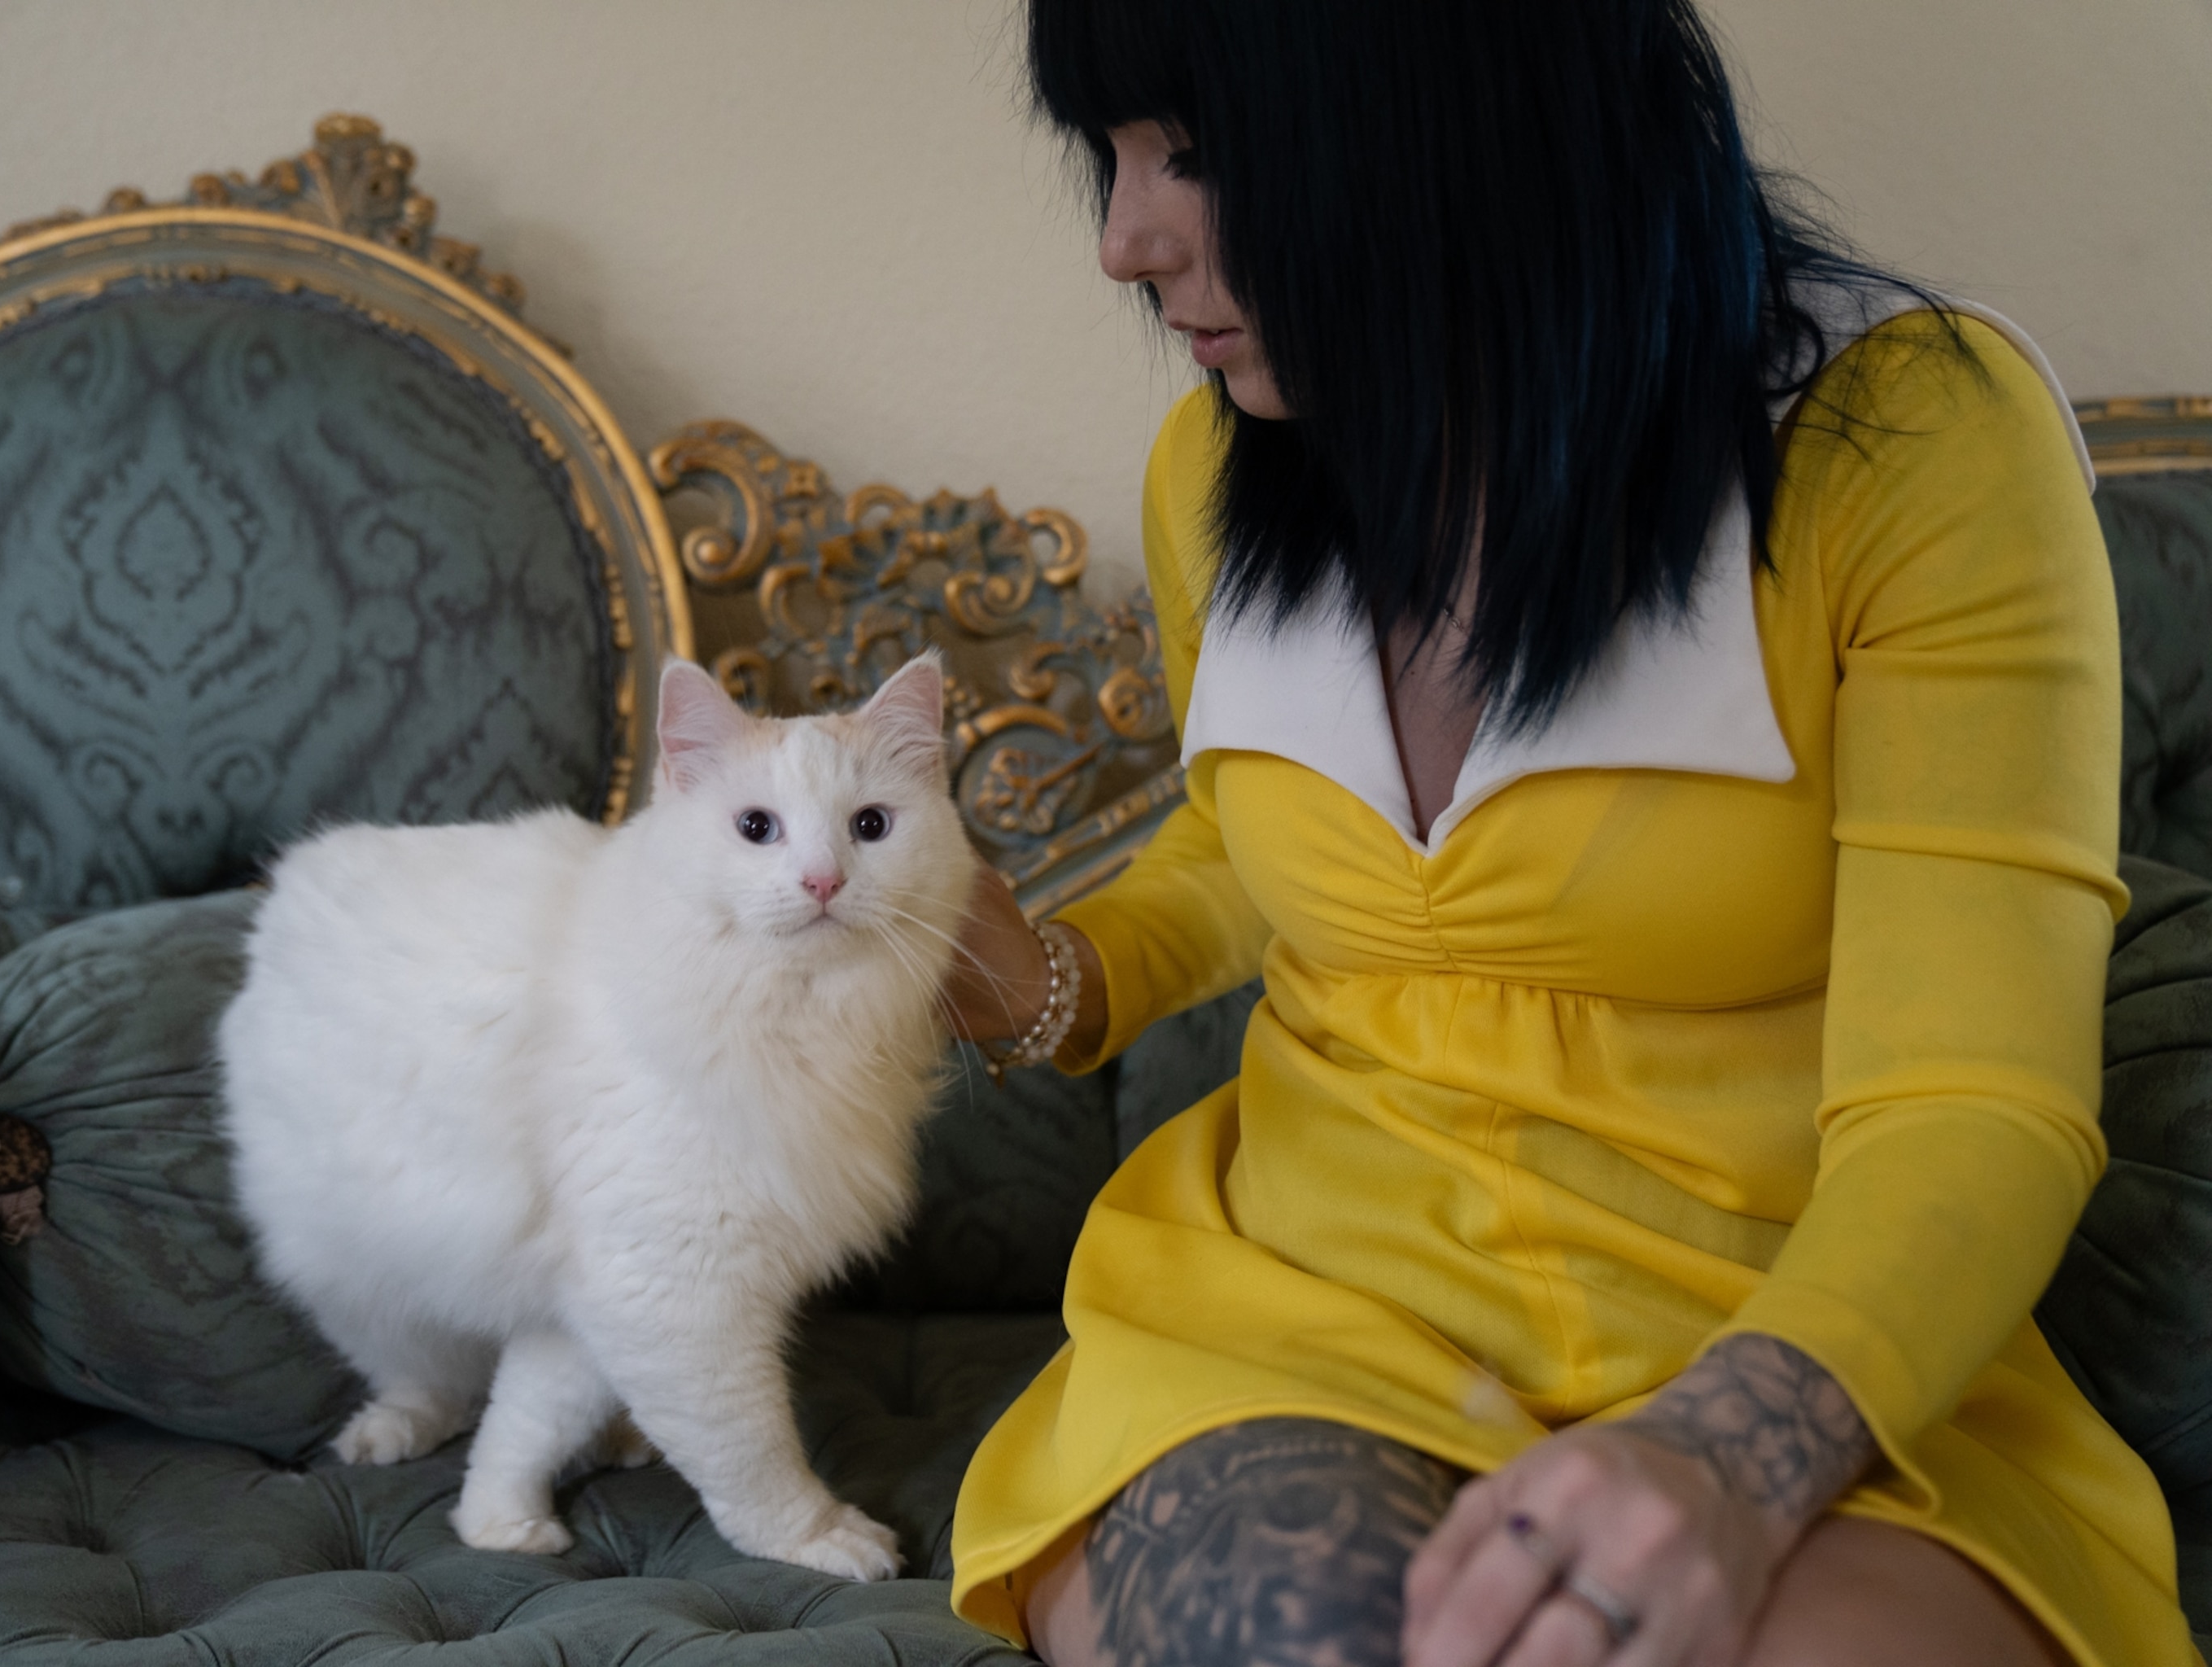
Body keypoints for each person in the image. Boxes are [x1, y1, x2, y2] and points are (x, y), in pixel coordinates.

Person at [934, 3, 2204, 1665]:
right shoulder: (1215, 468)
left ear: (1461, 106)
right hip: (1295, 1326)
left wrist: (1732, 1452)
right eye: (1106, 160)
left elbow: (1972, 1096)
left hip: (1805, 1346)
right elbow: (1262, 851)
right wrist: (1056, 979)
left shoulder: (1913, 444)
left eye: (1198, 153)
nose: (1123, 240)